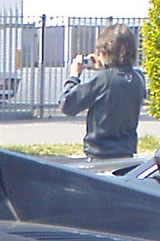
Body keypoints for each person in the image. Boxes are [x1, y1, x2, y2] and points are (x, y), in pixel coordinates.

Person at [60, 23, 145, 160]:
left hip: (101, 154)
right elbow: (116, 82)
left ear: (105, 52)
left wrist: (74, 76)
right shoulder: (138, 78)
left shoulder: (103, 79)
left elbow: (67, 104)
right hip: (126, 153)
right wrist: (104, 69)